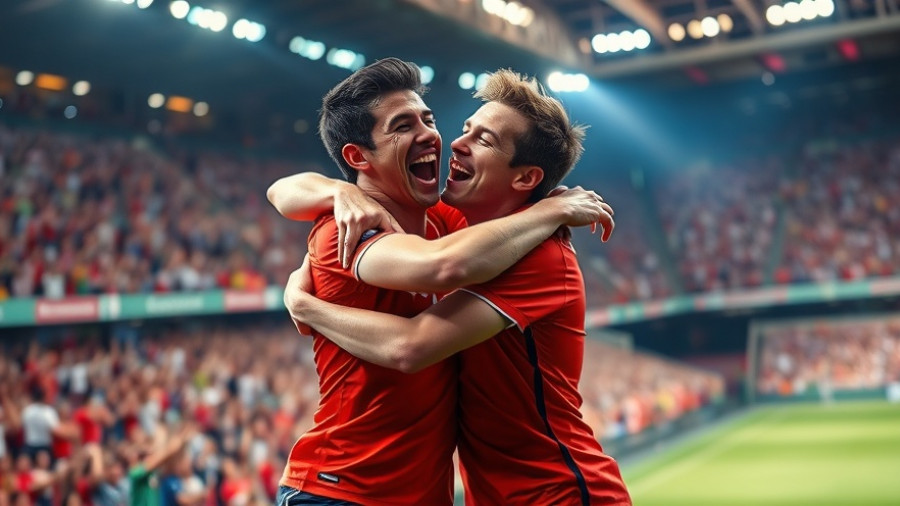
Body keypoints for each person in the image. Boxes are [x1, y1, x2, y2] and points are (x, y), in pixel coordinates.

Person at [269, 58, 614, 506]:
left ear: (526, 177)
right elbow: (281, 191)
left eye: (429, 120)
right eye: (404, 125)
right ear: (358, 157)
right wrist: (339, 192)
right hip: (345, 490)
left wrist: (305, 306)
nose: (447, 140)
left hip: (549, 492)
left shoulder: (492, 240)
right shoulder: (346, 231)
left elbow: (423, 324)